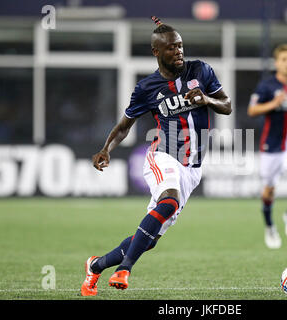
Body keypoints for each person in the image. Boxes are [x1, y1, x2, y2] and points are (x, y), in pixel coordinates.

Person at [81, 16, 231, 296]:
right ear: (156, 52)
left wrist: (207, 100)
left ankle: (96, 265)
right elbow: (124, 126)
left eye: (181, 46)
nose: (179, 52)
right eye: (172, 48)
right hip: (163, 155)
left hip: (193, 167)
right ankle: (125, 269)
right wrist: (106, 149)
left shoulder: (202, 71)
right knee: (169, 200)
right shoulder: (146, 88)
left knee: (149, 239)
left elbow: (227, 105)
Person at [247, 44, 287, 249]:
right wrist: (274, 104)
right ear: (276, 63)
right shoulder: (266, 86)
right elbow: (252, 110)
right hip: (272, 145)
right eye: (284, 59)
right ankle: (270, 227)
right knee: (268, 192)